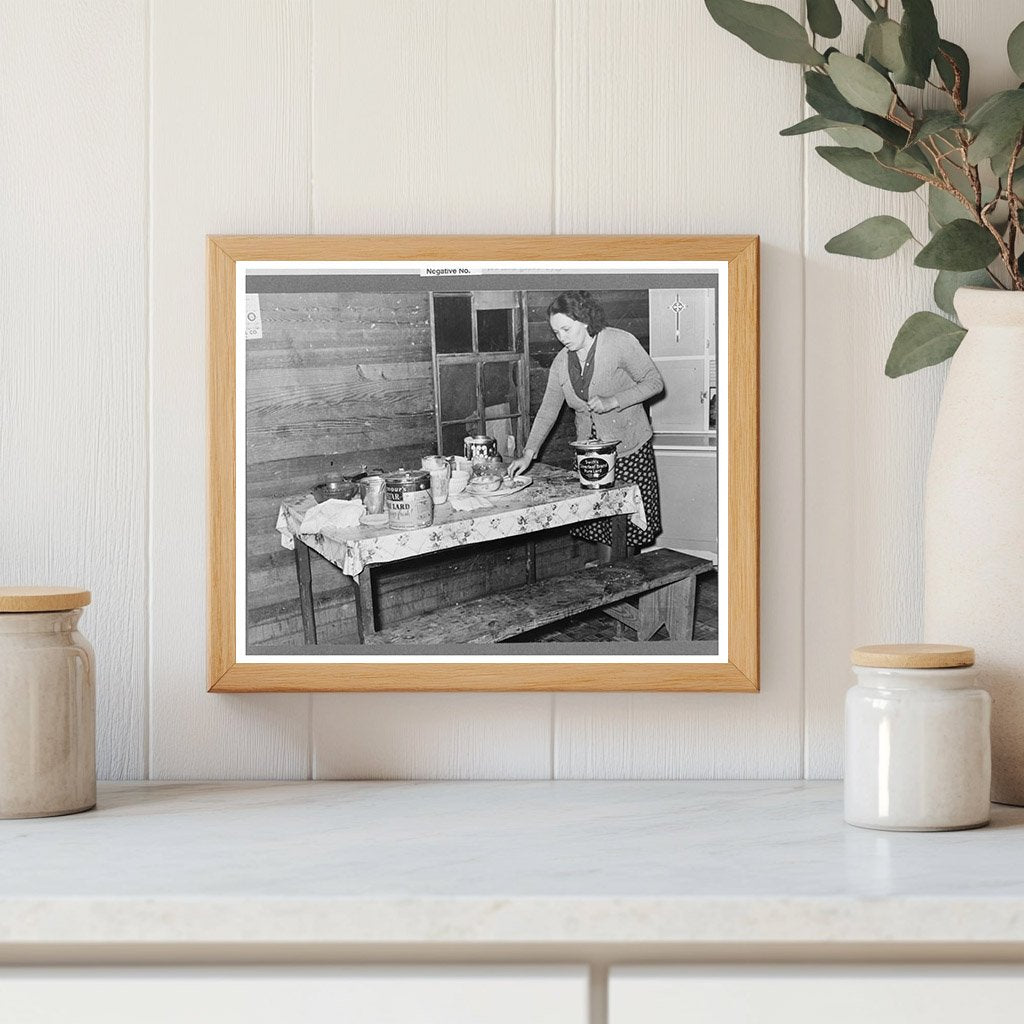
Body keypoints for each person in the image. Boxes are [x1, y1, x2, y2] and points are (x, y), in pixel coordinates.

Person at [508, 290, 664, 555]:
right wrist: (528, 453)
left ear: (584, 320)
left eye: (566, 329)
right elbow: (548, 410)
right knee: (602, 526)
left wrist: (614, 400)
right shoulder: (561, 362)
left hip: (629, 450)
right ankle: (608, 578)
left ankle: (622, 578)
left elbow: (654, 382)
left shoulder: (619, 342)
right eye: (556, 332)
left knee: (627, 530)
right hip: (590, 457)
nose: (561, 337)